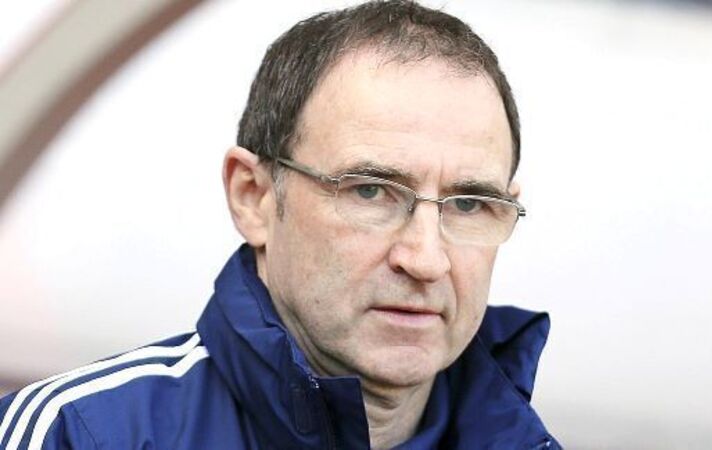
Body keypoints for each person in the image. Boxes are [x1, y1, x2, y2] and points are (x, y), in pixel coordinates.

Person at [0, 1, 560, 448]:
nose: (426, 259)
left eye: (469, 204)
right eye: (370, 191)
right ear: (254, 197)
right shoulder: (76, 434)